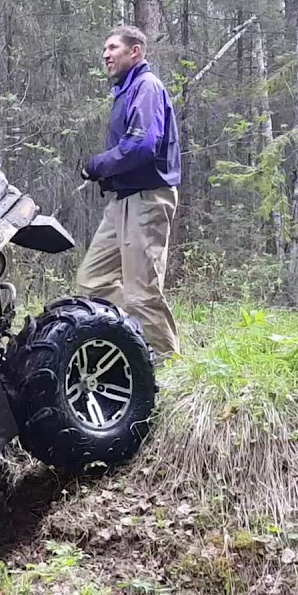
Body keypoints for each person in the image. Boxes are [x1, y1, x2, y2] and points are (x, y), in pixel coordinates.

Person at [78, 25, 182, 363]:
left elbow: (141, 146)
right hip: (123, 200)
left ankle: (169, 366)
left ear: (135, 51)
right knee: (92, 282)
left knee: (141, 294)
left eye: (112, 48)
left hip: (148, 198)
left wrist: (99, 165)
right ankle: (134, 343)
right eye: (104, 49)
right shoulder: (127, 91)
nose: (105, 55)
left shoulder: (146, 87)